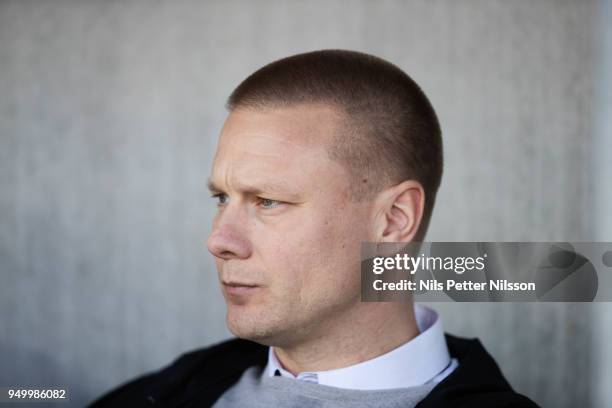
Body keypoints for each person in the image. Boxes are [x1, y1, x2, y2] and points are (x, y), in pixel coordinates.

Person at [90, 49, 539, 407]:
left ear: (395, 219)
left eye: (268, 201)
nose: (218, 241)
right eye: (222, 198)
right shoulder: (156, 393)